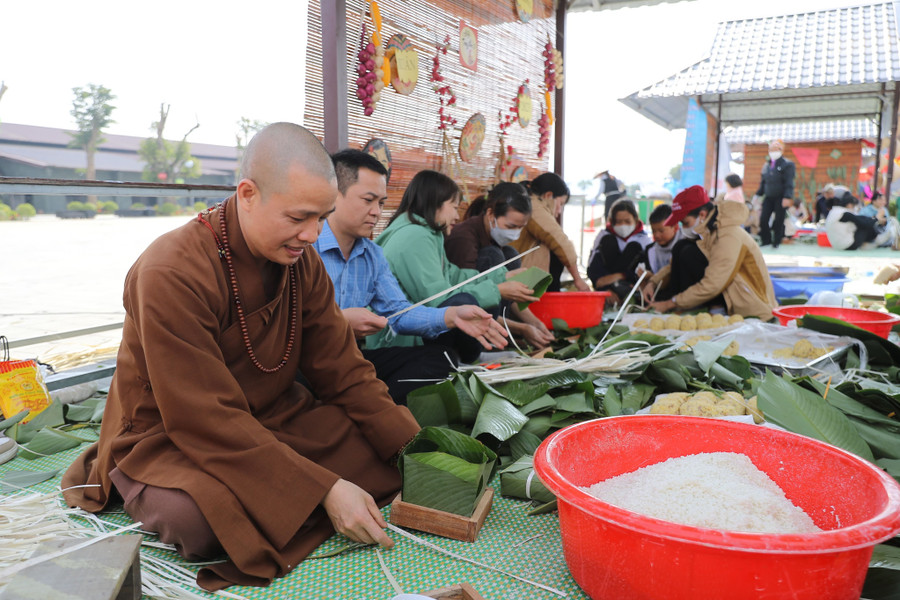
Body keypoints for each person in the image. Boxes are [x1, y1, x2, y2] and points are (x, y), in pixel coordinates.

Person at [62, 123, 422, 591]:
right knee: (201, 521)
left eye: (322, 217)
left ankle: (299, 497)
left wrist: (413, 446)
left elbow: (344, 370)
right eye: (299, 218)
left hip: (274, 418)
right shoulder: (171, 269)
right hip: (173, 434)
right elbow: (202, 417)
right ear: (247, 194)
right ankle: (143, 486)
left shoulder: (300, 260)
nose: (313, 235)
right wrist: (325, 488)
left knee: (383, 455)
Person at [314, 150, 507, 405]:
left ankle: (364, 406)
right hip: (308, 362)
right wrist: (338, 322)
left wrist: (451, 316)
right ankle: (363, 408)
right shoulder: (306, 247)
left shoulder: (373, 255)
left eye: (381, 203)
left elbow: (399, 312)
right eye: (368, 200)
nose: (376, 212)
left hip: (350, 360)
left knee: (441, 359)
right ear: (334, 195)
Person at [370, 170, 538, 362]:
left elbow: (452, 275)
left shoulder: (428, 233)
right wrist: (496, 290)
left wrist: (501, 278)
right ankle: (465, 358)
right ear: (435, 204)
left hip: (411, 334)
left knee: (477, 291)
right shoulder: (415, 237)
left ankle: (466, 356)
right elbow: (437, 299)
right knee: (464, 301)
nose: (458, 216)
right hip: (398, 339)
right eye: (454, 207)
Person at [444, 182, 554, 349]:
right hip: (457, 321)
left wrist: (535, 323)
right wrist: (521, 329)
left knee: (510, 255)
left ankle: (499, 340)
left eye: (520, 228)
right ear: (490, 214)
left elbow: (510, 293)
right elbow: (465, 297)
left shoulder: (493, 238)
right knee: (494, 255)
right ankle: (484, 345)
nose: (515, 233)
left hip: (486, 316)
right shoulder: (464, 239)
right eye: (511, 226)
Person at [645, 185, 777, 321]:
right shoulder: (708, 232)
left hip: (752, 312)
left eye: (685, 223)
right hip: (727, 298)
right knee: (681, 247)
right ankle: (690, 305)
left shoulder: (728, 236)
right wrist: (653, 282)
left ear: (702, 215)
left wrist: (670, 303)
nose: (683, 228)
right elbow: (672, 266)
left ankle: (713, 308)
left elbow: (713, 283)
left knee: (687, 252)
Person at [510, 172, 591, 292]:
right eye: (560, 204)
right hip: (516, 276)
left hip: (516, 271)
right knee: (555, 248)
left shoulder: (528, 202)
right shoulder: (534, 206)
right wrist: (578, 279)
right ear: (548, 195)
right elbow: (559, 240)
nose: (559, 211)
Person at [586, 198, 652, 303]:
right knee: (608, 242)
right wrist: (605, 289)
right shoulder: (604, 236)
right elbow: (593, 268)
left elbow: (648, 271)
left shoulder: (643, 240)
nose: (623, 226)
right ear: (612, 222)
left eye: (627, 221)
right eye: (619, 222)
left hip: (632, 287)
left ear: (635, 219)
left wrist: (621, 275)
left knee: (634, 247)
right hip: (607, 288)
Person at [754, 139, 796, 248]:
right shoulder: (767, 165)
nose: (773, 151)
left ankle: (776, 242)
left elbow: (789, 182)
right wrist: (758, 195)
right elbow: (763, 182)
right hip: (768, 196)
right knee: (763, 219)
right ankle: (766, 240)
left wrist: (787, 197)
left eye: (776, 149)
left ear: (781, 150)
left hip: (780, 197)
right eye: (771, 149)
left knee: (779, 220)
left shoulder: (787, 164)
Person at [825, 191, 899, 250]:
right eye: (880, 200)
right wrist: (877, 218)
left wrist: (878, 219)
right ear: (850, 205)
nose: (883, 202)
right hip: (846, 245)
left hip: (837, 244)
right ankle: (877, 241)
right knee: (867, 227)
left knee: (868, 224)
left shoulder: (836, 211)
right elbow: (863, 222)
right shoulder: (845, 214)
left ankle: (875, 242)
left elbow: (860, 218)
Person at [636, 203, 683, 281]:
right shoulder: (650, 250)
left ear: (675, 227)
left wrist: (654, 278)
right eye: (653, 231)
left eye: (661, 231)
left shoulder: (685, 247)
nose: (656, 235)